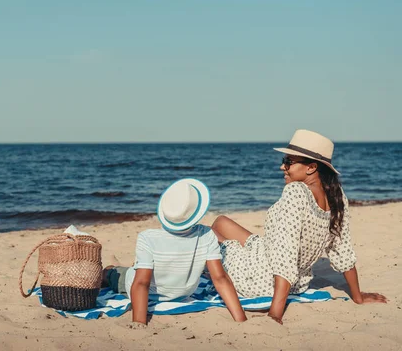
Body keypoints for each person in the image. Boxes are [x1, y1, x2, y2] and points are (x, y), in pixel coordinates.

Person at [212, 129, 387, 325]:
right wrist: (358, 296)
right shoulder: (337, 197)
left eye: (289, 162)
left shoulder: (295, 192)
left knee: (206, 234)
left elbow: (285, 255)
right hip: (296, 282)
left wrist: (275, 314)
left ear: (311, 167)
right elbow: (342, 250)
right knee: (221, 222)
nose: (282, 167)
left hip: (260, 278)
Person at [102, 178, 247, 326]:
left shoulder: (148, 237)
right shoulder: (207, 235)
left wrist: (139, 322)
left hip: (148, 291)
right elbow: (220, 278)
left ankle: (112, 269)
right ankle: (117, 266)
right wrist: (241, 319)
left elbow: (141, 283)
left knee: (111, 274)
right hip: (182, 294)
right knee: (127, 268)